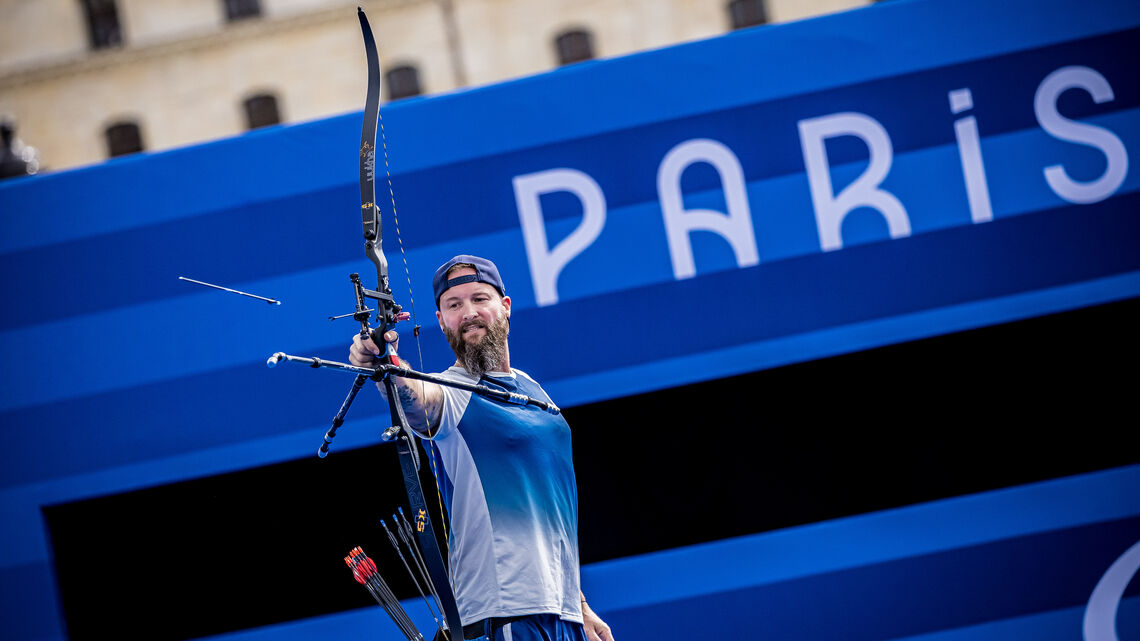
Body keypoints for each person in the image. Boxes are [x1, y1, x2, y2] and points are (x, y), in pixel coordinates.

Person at [349, 255, 615, 641]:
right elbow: (416, 397)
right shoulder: (451, 393)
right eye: (453, 305)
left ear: (504, 307)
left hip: (563, 615)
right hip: (505, 617)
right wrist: (383, 362)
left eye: (479, 299)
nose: (468, 313)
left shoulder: (534, 391)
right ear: (441, 321)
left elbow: (550, 517)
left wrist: (581, 607)